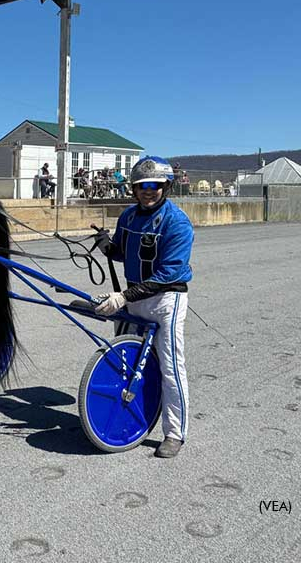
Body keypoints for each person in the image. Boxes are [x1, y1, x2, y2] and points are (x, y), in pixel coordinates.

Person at [93, 155, 194, 459]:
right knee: (125, 362)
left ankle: (175, 433)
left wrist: (123, 297)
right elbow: (123, 252)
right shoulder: (128, 217)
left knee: (170, 366)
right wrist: (104, 244)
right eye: (142, 186)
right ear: (133, 190)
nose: (149, 191)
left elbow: (169, 274)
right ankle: (129, 412)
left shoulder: (177, 223)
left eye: (155, 185)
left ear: (166, 187)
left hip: (165, 300)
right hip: (135, 297)